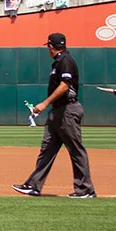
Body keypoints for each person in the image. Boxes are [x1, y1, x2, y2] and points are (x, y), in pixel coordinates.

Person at [13, 33, 96, 198]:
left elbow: (65, 85)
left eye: (47, 46)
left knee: (76, 150)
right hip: (57, 111)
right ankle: (33, 185)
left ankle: (85, 190)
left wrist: (44, 103)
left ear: (50, 46)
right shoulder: (59, 62)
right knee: (47, 149)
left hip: (67, 110)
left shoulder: (65, 61)